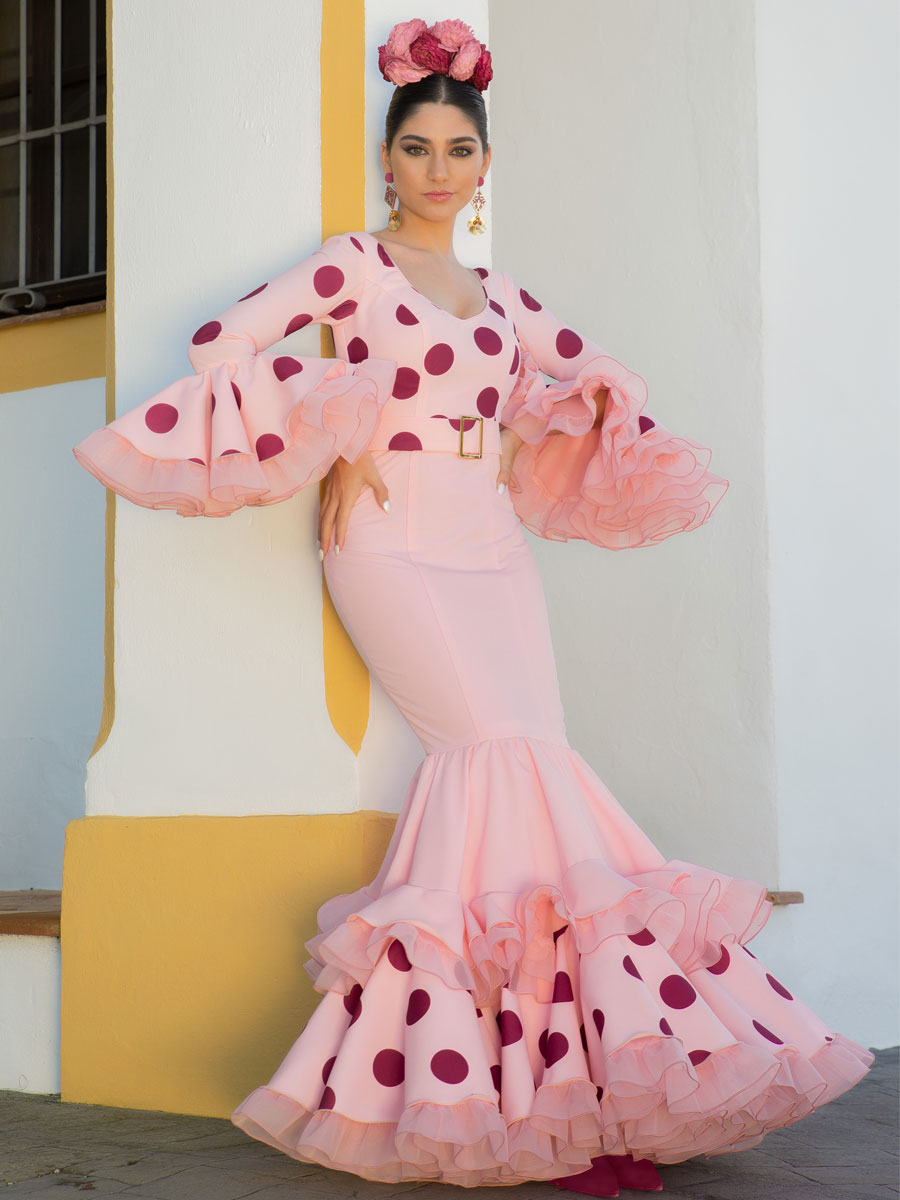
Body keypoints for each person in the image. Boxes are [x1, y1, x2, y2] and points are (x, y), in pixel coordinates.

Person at [71, 17, 875, 1198]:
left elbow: (605, 373)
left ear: (484, 167)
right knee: (486, 755)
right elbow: (218, 341)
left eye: (459, 149)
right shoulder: (354, 264)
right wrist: (340, 426)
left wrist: (551, 420)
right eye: (419, 146)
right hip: (389, 544)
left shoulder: (505, 298)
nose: (439, 169)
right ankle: (500, 1101)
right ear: (386, 160)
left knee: (534, 756)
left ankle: (568, 1095)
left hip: (491, 545)